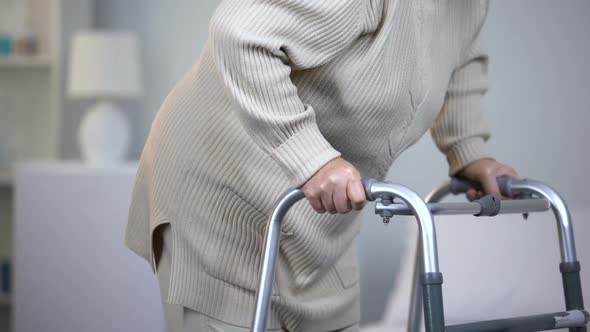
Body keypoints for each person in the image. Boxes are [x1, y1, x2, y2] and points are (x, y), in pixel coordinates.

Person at [125, 0, 518, 331]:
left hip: (316, 217)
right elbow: (239, 31)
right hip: (221, 196)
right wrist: (311, 159)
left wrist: (468, 153)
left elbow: (461, 55)